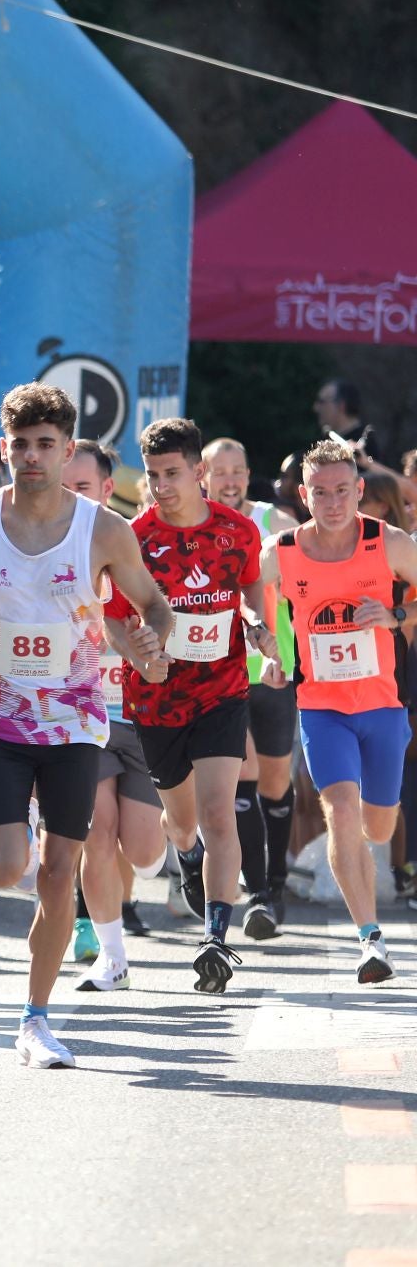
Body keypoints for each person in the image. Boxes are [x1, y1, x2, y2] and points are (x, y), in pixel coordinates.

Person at [0, 384, 171, 1068]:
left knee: (61, 870)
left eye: (45, 445)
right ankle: (22, 826)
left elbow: (153, 605)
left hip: (75, 720)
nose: (31, 457)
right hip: (1, 715)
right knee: (6, 867)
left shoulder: (102, 528)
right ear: (4, 448)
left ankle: (35, 1019)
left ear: (68, 451)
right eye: (20, 444)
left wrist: (151, 643)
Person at [103, 419, 272, 994]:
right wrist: (138, 649)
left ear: (198, 471)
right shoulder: (133, 537)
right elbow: (113, 618)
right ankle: (189, 855)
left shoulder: (239, 530)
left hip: (222, 689)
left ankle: (216, 940)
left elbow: (249, 589)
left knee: (220, 810)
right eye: (152, 476)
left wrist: (254, 625)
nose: (160, 486)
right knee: (180, 824)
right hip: (154, 697)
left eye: (172, 474)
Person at [264, 439, 417, 984]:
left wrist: (395, 612)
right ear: (305, 495)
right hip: (321, 707)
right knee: (342, 812)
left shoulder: (388, 543)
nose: (332, 503)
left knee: (378, 823)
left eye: (342, 492)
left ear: (359, 491)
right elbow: (250, 597)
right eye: (321, 493)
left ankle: (373, 885)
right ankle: (370, 940)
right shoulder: (281, 550)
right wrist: (270, 647)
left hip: (382, 706)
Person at [60, 441, 164, 985]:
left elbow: (160, 612)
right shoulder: (40, 547)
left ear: (106, 490)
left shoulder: (131, 545)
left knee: (143, 851)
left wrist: (145, 644)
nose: (69, 496)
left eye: (82, 487)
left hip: (140, 716)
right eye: (64, 485)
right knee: (95, 833)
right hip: (81, 718)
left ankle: (168, 853)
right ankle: (112, 956)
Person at [203, 435, 298, 933]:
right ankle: (259, 892)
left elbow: (311, 551)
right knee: (244, 771)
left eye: (239, 470)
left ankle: (275, 881)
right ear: (205, 474)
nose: (233, 479)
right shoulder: (193, 523)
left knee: (276, 781)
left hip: (271, 667)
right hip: (219, 673)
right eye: (223, 471)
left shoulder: (272, 522)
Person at [315, 379, 380, 459]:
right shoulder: (327, 439)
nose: (316, 408)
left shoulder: (365, 445)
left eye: (322, 402)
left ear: (341, 405)